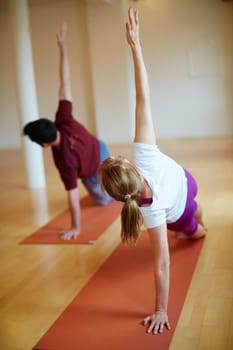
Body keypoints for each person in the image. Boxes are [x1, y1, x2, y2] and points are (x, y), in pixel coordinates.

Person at [99, 8, 207, 334]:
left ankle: (197, 221)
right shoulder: (143, 160)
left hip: (181, 198)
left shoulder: (151, 212)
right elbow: (143, 97)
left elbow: (161, 262)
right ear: (129, 165)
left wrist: (135, 45)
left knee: (190, 218)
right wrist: (135, 45)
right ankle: (200, 227)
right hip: (187, 184)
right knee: (196, 229)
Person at [23, 22, 113, 240]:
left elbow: (72, 196)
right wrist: (63, 47)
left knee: (103, 200)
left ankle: (112, 185)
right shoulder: (63, 118)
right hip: (101, 148)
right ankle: (116, 176)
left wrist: (76, 228)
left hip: (93, 171)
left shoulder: (65, 162)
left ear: (44, 144)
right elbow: (65, 83)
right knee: (111, 185)